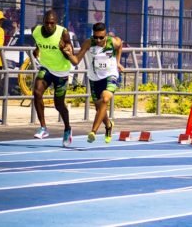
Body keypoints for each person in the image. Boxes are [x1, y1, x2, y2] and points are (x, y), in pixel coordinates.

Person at [61, 22, 123, 144]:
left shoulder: (113, 42)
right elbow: (76, 61)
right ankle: (109, 125)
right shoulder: (88, 43)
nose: (98, 40)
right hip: (94, 78)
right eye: (96, 37)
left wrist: (118, 62)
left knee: (105, 99)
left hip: (110, 75)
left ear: (106, 35)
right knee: (99, 108)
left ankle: (93, 131)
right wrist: (68, 54)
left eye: (101, 37)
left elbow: (120, 45)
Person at [31, 10, 77, 147]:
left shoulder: (63, 33)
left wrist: (65, 50)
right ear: (43, 22)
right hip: (46, 68)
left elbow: (71, 52)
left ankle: (68, 128)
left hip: (61, 71)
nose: (49, 25)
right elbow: (39, 43)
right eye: (47, 23)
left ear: (56, 23)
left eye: (52, 23)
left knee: (59, 104)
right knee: (37, 92)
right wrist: (37, 50)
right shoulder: (36, 31)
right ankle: (43, 128)